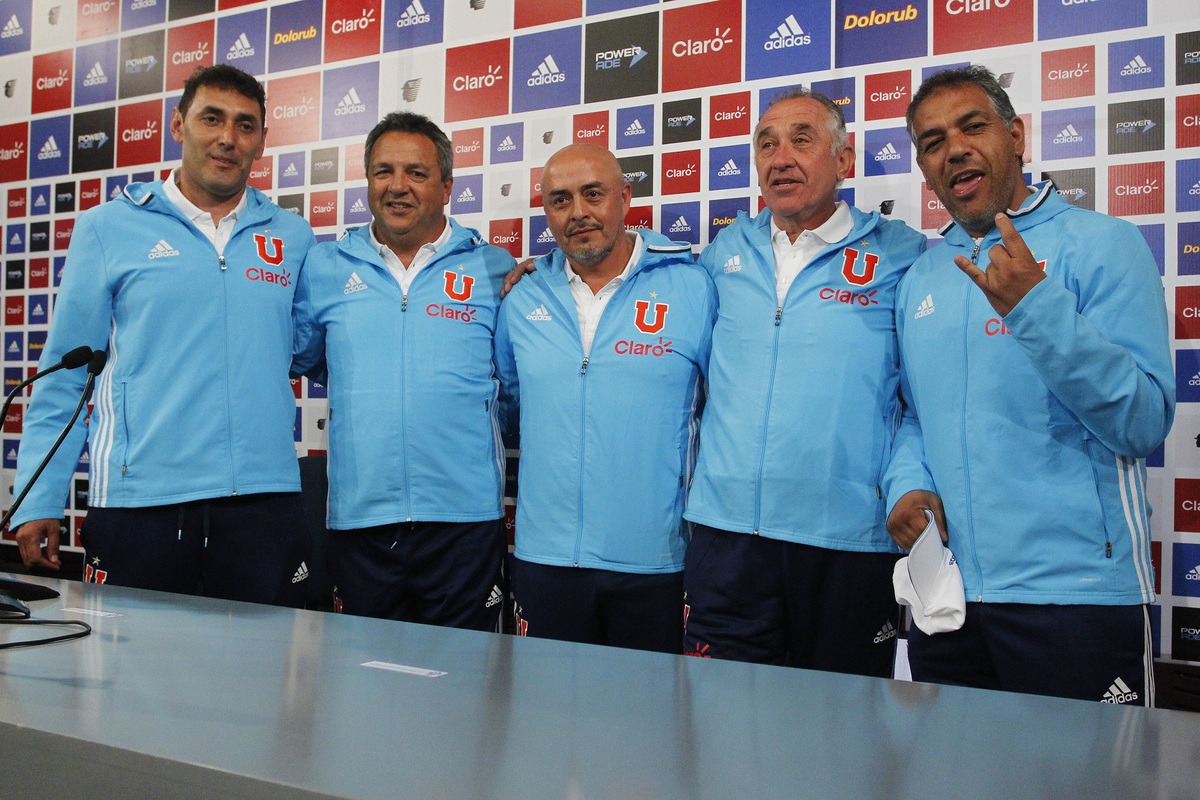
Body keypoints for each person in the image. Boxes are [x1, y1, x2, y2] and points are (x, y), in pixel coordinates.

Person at [885, 66, 1173, 704]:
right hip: (949, 599)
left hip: (1077, 598)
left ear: (1015, 135)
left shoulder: (1104, 244)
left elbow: (1143, 421)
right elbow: (914, 415)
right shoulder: (923, 276)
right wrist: (906, 483)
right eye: (932, 142)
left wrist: (1034, 307)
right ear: (925, 168)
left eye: (973, 126)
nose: (954, 149)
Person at [11, 65, 316, 606]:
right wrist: (38, 496)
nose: (228, 138)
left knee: (264, 660)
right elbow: (65, 375)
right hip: (141, 501)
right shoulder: (108, 227)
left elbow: (311, 347)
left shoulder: (293, 236)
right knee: (133, 661)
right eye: (211, 119)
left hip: (263, 501)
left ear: (262, 140)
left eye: (245, 125)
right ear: (178, 125)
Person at [681, 89, 926, 673]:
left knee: (843, 719)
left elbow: (924, 403)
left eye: (801, 140)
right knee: (720, 715)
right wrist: (548, 272)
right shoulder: (722, 252)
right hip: (726, 537)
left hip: (847, 540)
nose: (780, 158)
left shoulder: (903, 255)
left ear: (844, 160)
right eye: (766, 144)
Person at [291, 112, 513, 629]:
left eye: (416, 172)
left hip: (464, 521)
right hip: (361, 519)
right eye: (383, 171)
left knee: (466, 672)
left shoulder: (493, 268)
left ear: (447, 186)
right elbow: (308, 359)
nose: (397, 186)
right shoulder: (325, 267)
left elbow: (514, 384)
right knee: (364, 673)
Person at [493, 143, 716, 653]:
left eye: (593, 194)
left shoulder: (692, 287)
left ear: (625, 197)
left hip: (657, 560)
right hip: (544, 559)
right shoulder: (522, 296)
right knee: (544, 702)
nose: (578, 212)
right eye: (560, 200)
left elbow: (722, 409)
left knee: (650, 705)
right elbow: (507, 408)